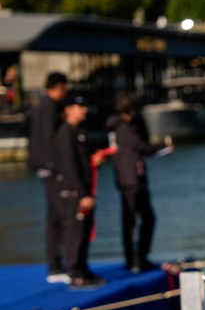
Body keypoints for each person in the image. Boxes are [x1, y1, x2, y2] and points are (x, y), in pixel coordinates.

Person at [105, 92, 169, 273]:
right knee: (133, 220)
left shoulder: (125, 125)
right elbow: (141, 146)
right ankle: (134, 259)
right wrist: (163, 146)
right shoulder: (122, 127)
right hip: (129, 178)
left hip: (133, 176)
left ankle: (139, 257)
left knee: (143, 218)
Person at [53, 93, 105, 289]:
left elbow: (83, 162)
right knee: (75, 231)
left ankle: (83, 268)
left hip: (85, 189)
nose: (84, 110)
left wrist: (96, 160)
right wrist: (82, 194)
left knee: (84, 231)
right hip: (74, 193)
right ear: (68, 110)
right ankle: (74, 273)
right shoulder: (65, 134)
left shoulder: (79, 132)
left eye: (84, 107)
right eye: (78, 106)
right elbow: (69, 167)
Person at [27, 72, 69, 283]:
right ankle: (58, 266)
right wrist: (60, 168)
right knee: (62, 216)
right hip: (50, 168)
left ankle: (56, 266)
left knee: (54, 217)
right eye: (65, 87)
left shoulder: (45, 105)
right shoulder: (50, 107)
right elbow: (49, 140)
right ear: (59, 86)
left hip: (46, 166)